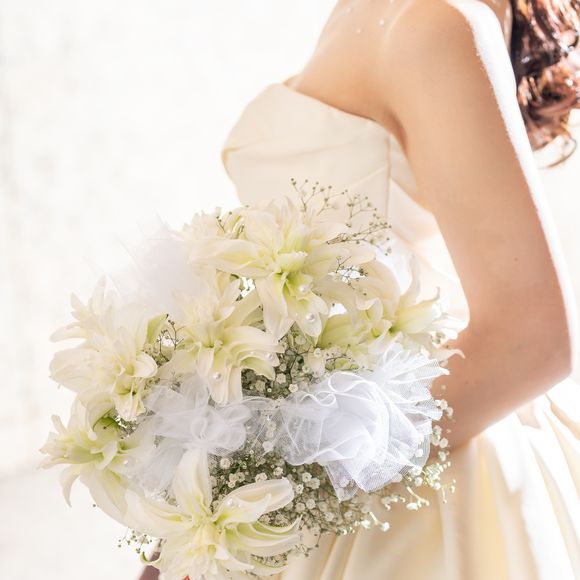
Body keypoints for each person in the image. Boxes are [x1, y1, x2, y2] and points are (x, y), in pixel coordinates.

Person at [140, 0, 580, 578]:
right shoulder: (379, 12)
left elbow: (532, 341)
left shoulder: (436, 23)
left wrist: (263, 492)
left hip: (403, 470)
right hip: (320, 436)